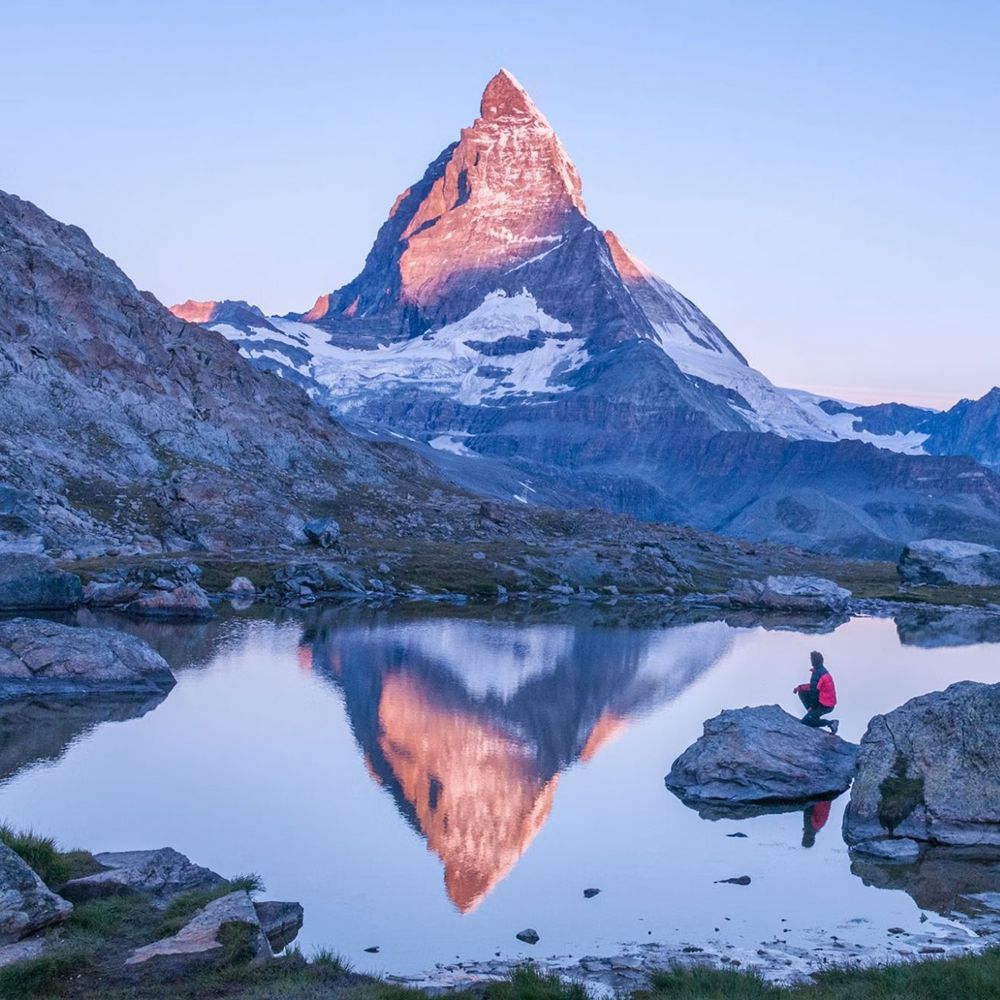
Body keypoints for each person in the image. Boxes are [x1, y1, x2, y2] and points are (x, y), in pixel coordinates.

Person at [794, 651, 839, 733]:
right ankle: (813, 714)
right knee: (801, 691)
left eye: (811, 659)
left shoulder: (818, 674)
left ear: (813, 661)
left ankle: (831, 723)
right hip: (823, 702)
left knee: (806, 722)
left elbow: (814, 693)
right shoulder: (821, 671)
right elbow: (813, 687)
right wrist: (800, 687)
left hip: (825, 706)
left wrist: (811, 706)